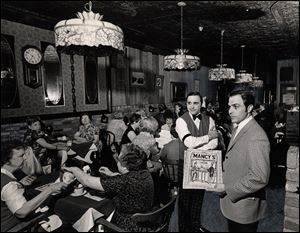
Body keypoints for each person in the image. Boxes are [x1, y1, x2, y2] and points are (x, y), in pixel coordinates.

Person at [64, 144, 154, 232]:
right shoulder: (145, 173)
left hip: (126, 226)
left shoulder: (124, 182)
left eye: (118, 159)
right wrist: (111, 174)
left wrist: (74, 169)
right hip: (145, 222)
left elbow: (86, 181)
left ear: (125, 166)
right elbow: (126, 177)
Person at [215, 89, 270, 232]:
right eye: (229, 106)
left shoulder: (256, 136)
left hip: (243, 209)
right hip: (235, 207)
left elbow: (259, 177)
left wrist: (227, 188)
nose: (230, 111)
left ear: (249, 108)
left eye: (236, 106)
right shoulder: (240, 126)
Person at [175, 91, 219, 232]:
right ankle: (183, 229)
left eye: (195, 103)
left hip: (203, 163)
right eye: (189, 103)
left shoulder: (209, 119)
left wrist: (200, 148)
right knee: (185, 201)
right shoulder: (181, 120)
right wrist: (207, 138)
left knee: (198, 197)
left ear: (201, 104)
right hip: (186, 163)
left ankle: (195, 227)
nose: (192, 106)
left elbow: (215, 142)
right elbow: (188, 142)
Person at [1, 140, 68, 232]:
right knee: (61, 220)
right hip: (10, 226)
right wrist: (50, 189)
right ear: (7, 160)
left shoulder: (4, 175)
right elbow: (21, 212)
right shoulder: (9, 184)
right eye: (21, 156)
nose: (25, 158)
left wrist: (20, 184)